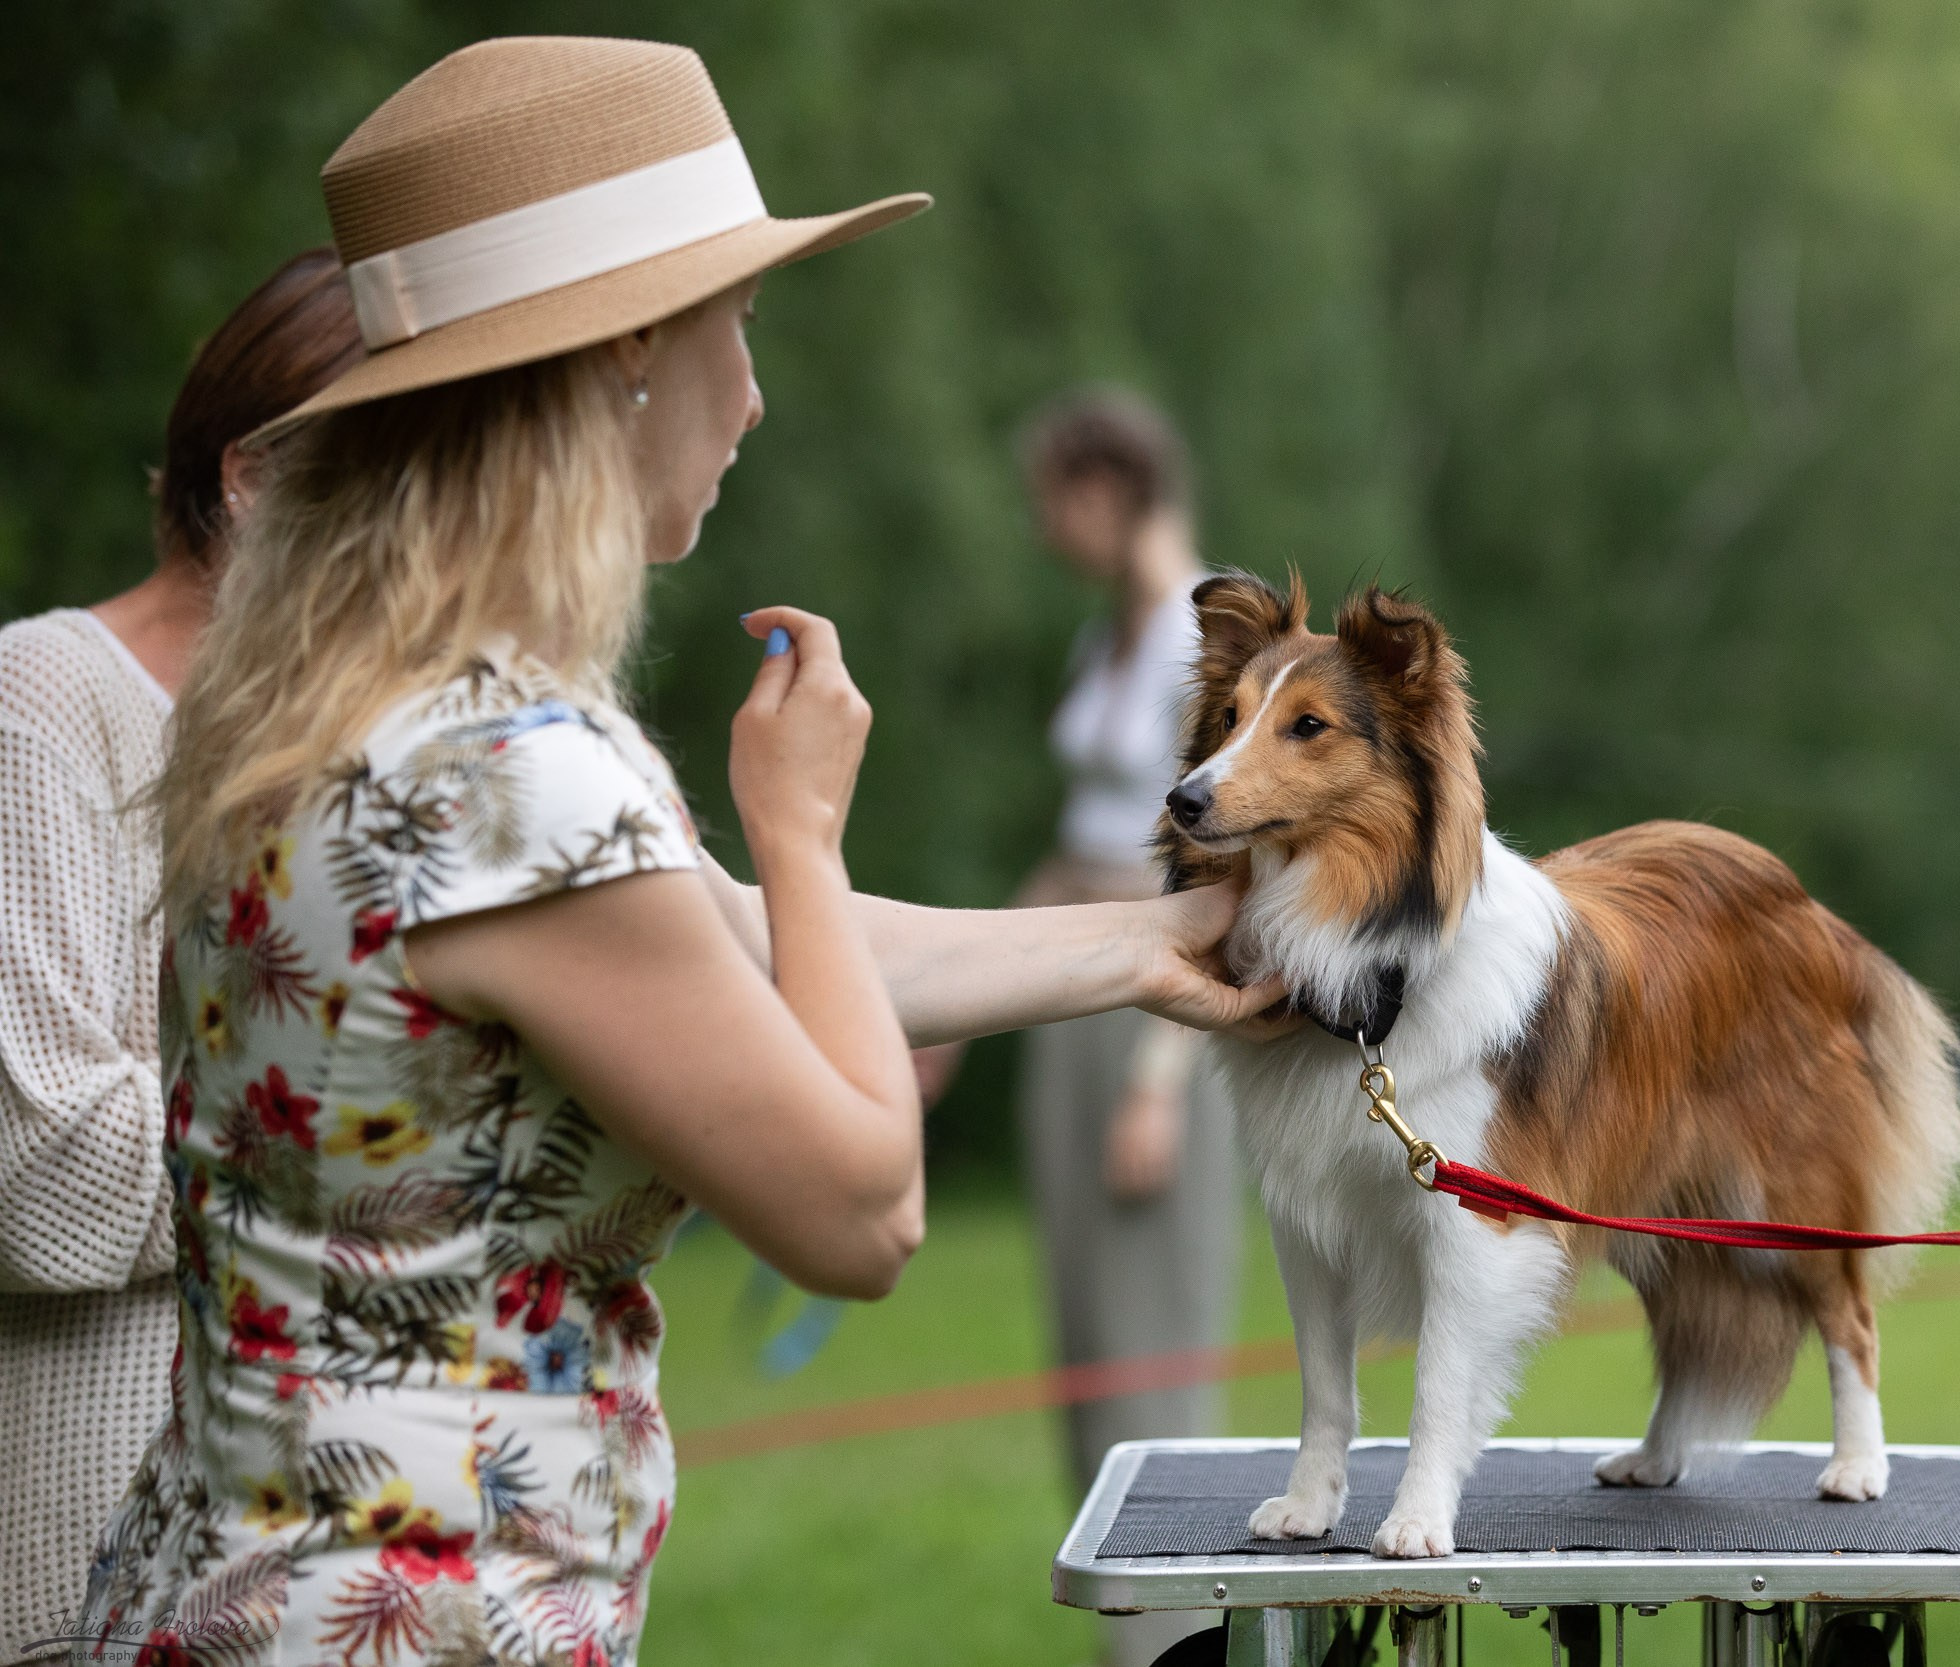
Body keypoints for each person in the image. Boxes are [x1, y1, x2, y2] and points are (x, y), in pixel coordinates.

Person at [70, 38, 1279, 1665]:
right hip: (428, 1622)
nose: (757, 390)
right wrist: (800, 825)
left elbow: (734, 957)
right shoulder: (512, 772)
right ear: (633, 347)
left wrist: (1155, 946)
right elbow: (861, 1211)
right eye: (742, 321)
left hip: (219, 1586)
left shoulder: (325, 708)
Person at [0, 249, 364, 1667]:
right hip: (81, 1558)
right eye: (387, 466)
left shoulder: (348, 743)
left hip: (310, 1551)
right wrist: (372, 1158)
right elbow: (31, 1160)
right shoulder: (41, 704)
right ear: (253, 478)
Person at [1014, 390, 1238, 1667]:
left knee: (1153, 1330)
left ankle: (1182, 1640)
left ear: (1109, 486)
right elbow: (1082, 851)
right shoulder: (1104, 642)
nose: (1049, 528)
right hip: (1071, 995)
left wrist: (1160, 1077)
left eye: (1058, 496)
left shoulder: (1204, 639)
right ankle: (1124, 1636)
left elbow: (1216, 884)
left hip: (1162, 1019)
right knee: (1085, 1329)